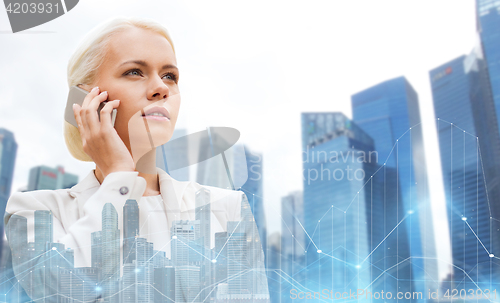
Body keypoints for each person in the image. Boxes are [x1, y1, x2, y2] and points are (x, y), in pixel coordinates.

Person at [4, 16, 268, 303]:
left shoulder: (227, 208)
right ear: (85, 100)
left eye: (170, 76)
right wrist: (119, 175)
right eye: (134, 72)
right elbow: (67, 292)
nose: (161, 88)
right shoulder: (34, 211)